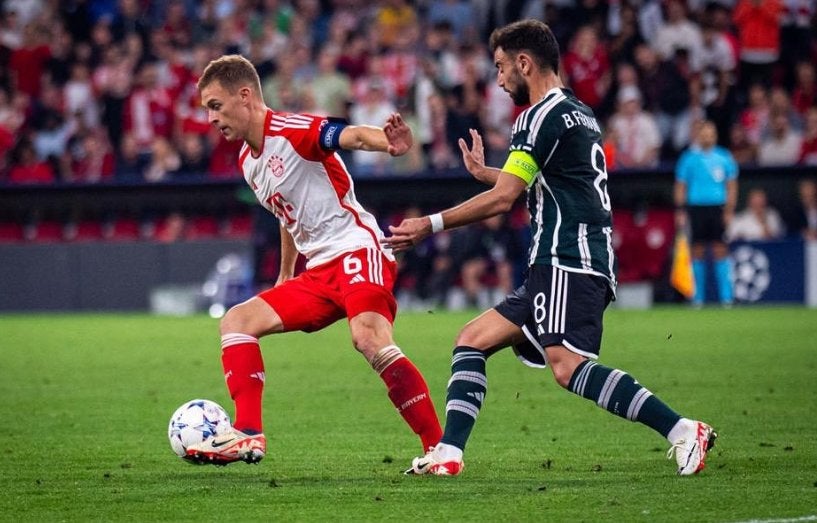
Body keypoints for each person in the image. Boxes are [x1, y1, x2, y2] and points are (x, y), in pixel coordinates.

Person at [385, 20, 716, 477]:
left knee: (566, 366)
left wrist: (429, 223)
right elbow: (537, 182)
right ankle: (449, 452)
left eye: (501, 67)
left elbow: (505, 199)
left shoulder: (539, 115)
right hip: (563, 258)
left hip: (568, 258)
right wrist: (489, 175)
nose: (498, 80)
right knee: (471, 340)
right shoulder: (576, 111)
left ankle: (682, 430)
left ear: (525, 62)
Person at [186, 54, 442, 466]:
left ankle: (440, 449)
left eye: (216, 106)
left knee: (369, 339)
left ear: (245, 95)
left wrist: (387, 143)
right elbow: (286, 214)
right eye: (207, 110)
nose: (211, 118)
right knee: (237, 322)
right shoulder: (248, 162)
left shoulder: (291, 129)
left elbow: (350, 136)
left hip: (357, 248)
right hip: (318, 272)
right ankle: (249, 435)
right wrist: (286, 273)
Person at [674, 120, 739, 307]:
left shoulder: (724, 157)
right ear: (698, 135)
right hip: (696, 208)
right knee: (697, 251)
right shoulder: (688, 158)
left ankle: (726, 299)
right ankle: (698, 299)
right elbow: (681, 186)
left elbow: (732, 185)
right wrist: (680, 210)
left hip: (717, 207)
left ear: (715, 135)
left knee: (720, 249)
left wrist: (729, 210)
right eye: (704, 133)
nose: (707, 136)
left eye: (710, 133)